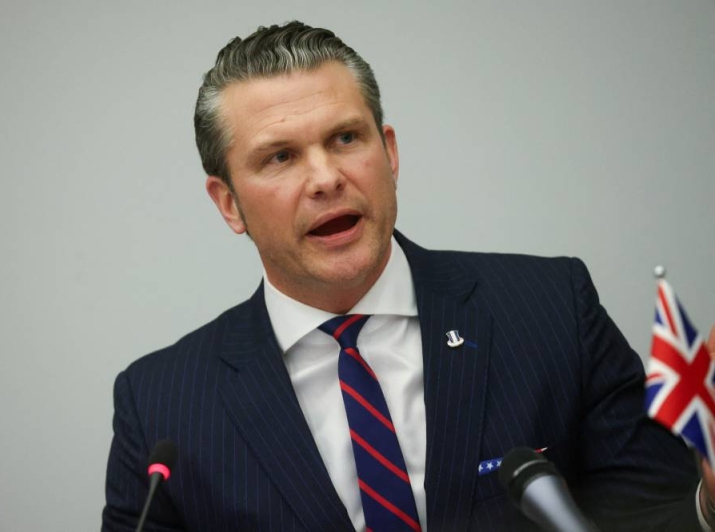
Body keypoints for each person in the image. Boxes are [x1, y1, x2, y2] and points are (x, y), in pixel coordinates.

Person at [102, 21, 715, 531]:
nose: (326, 178)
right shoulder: (159, 407)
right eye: (281, 157)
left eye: (346, 138)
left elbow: (656, 508)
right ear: (229, 203)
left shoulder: (552, 309)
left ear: (389, 153)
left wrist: (709, 503)